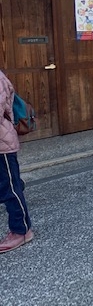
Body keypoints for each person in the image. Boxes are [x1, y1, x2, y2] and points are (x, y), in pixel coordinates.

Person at [0, 70, 33, 253]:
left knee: (10, 189)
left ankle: (21, 230)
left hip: (2, 145)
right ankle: (17, 184)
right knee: (9, 185)